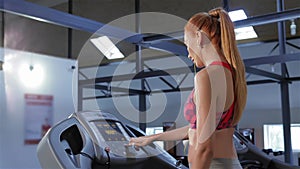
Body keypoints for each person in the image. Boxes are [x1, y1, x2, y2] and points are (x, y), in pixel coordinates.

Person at [129, 7, 247, 169]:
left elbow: (205, 147)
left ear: (199, 37)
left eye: (186, 43)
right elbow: (199, 129)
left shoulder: (206, 77)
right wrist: (152, 138)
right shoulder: (228, 73)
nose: (188, 52)